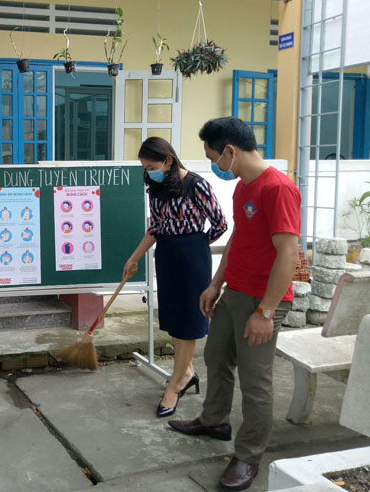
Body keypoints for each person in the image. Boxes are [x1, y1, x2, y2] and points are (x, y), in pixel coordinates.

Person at [168, 117, 300, 491]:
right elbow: (239, 240)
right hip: (234, 292)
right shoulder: (243, 187)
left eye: (214, 157)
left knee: (255, 382)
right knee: (216, 358)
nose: (214, 166)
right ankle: (214, 421)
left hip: (262, 300)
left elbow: (288, 254)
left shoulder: (277, 188)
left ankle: (248, 456)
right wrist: (215, 284)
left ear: (230, 151)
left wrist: (267, 312)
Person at [123, 137, 227, 419]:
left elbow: (220, 223)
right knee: (173, 318)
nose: (149, 171)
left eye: (152, 165)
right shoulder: (156, 186)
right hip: (166, 254)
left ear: (168, 160)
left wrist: (195, 243)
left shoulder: (196, 184)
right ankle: (187, 372)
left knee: (189, 322)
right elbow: (155, 227)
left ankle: (175, 384)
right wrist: (134, 258)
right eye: (144, 167)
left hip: (193, 256)